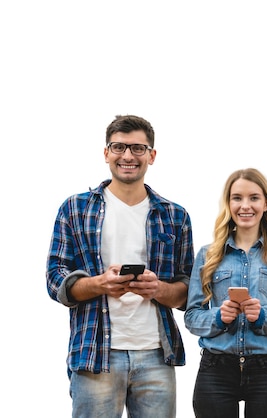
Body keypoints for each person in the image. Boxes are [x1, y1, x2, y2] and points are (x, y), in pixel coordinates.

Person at [46, 115, 195, 418]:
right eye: (119, 147)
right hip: (94, 353)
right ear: (106, 153)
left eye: (138, 148)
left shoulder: (175, 215)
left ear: (152, 156)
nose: (128, 156)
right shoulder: (75, 209)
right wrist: (98, 284)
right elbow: (54, 278)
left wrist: (158, 289)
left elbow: (188, 290)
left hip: (156, 354)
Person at [184, 168, 267, 418]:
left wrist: (263, 315)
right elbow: (192, 316)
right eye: (237, 197)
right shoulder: (208, 255)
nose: (245, 205)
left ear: (266, 204)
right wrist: (218, 317)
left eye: (254, 198)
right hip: (215, 369)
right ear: (228, 203)